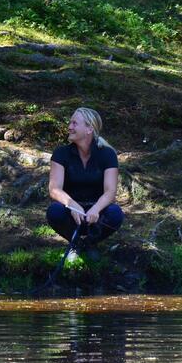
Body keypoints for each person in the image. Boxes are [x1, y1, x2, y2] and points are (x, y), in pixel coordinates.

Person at [47, 107, 123, 257]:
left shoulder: (107, 154)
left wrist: (95, 209)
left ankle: (89, 244)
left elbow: (110, 192)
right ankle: (75, 244)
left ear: (89, 129)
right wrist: (72, 204)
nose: (69, 127)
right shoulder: (61, 153)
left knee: (115, 214)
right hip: (71, 214)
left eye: (74, 123)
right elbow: (54, 189)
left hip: (96, 214)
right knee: (54, 211)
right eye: (70, 123)